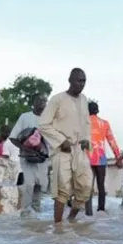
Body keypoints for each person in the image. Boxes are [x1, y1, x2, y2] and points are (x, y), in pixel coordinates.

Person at [39, 68, 94, 223]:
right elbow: (43, 124)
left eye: (84, 81)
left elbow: (86, 123)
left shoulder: (84, 99)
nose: (81, 84)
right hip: (62, 150)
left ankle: (71, 220)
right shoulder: (57, 99)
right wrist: (60, 140)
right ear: (70, 80)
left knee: (85, 187)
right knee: (62, 188)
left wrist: (86, 139)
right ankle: (58, 226)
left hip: (79, 150)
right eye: (78, 80)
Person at [9, 94, 50, 212]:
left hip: (42, 158)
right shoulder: (25, 117)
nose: (42, 103)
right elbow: (13, 137)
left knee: (40, 185)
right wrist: (24, 148)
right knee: (29, 184)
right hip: (27, 158)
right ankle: (25, 213)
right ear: (34, 102)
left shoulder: (49, 120)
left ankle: (36, 214)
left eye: (44, 101)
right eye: (40, 100)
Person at [86, 101, 122, 214]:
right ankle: (101, 209)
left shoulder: (83, 123)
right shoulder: (104, 123)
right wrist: (118, 157)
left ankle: (88, 211)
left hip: (86, 158)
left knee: (88, 185)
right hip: (100, 158)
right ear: (98, 110)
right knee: (101, 185)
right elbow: (112, 141)